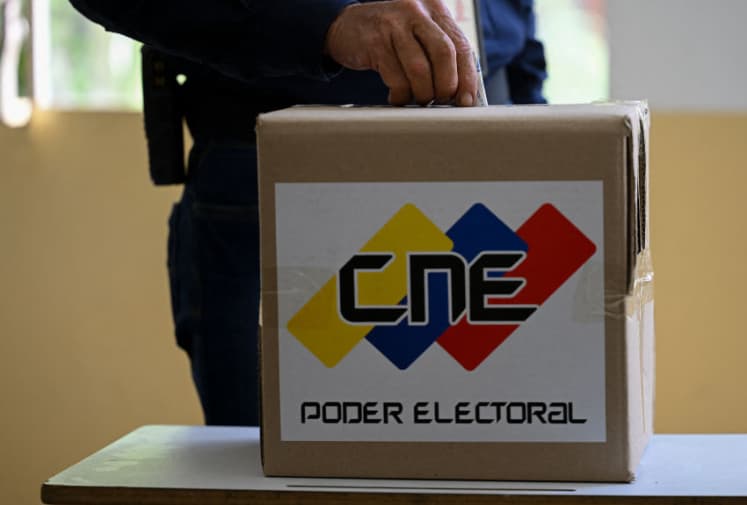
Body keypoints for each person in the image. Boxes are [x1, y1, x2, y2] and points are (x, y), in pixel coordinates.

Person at [70, 0, 547, 426]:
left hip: (485, 178)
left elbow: (519, 32)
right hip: (278, 178)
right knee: (287, 468)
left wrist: (546, 153)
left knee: (487, 453)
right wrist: (325, 22)